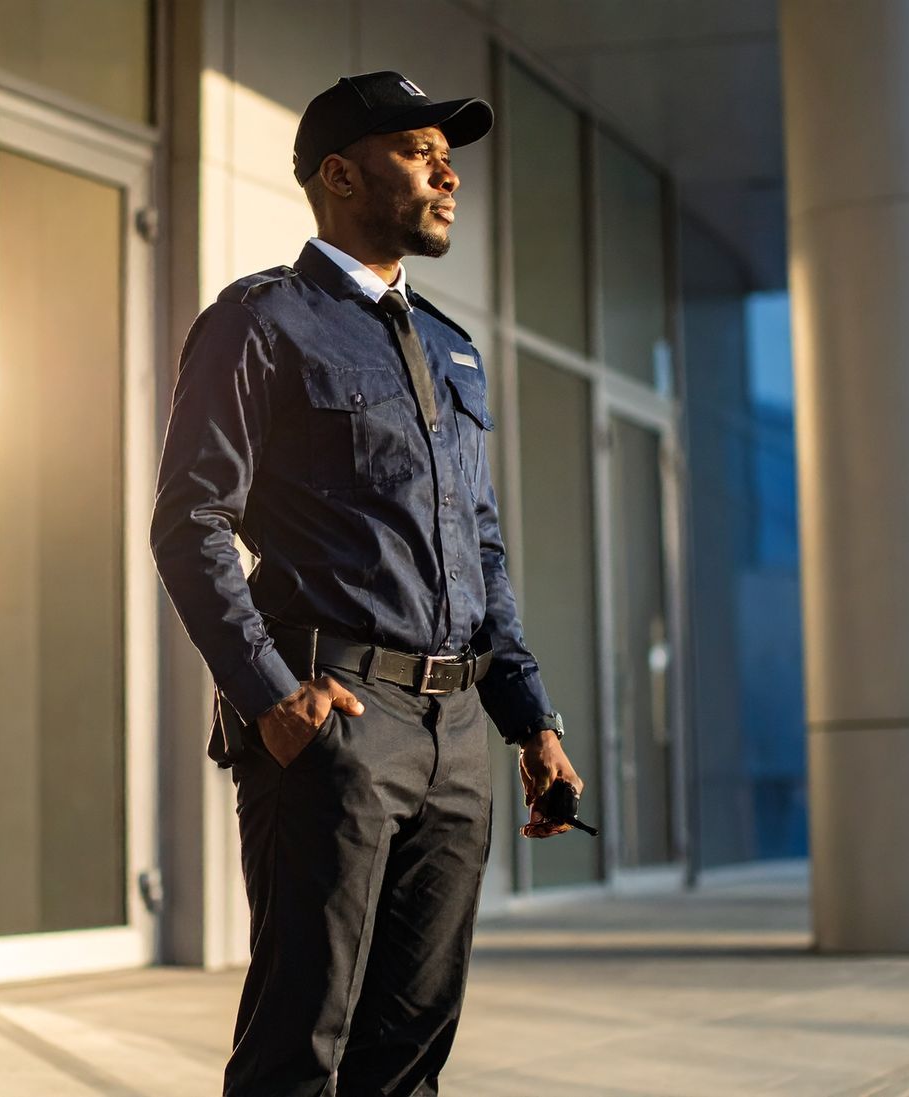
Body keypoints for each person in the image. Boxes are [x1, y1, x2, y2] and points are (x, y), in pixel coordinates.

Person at [150, 70, 585, 1097]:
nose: (449, 174)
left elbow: (481, 546)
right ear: (340, 174)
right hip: (337, 721)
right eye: (418, 150)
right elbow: (191, 520)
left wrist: (531, 718)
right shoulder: (260, 321)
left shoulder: (451, 347)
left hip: (458, 736)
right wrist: (270, 697)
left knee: (410, 1053)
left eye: (450, 154)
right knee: (299, 1046)